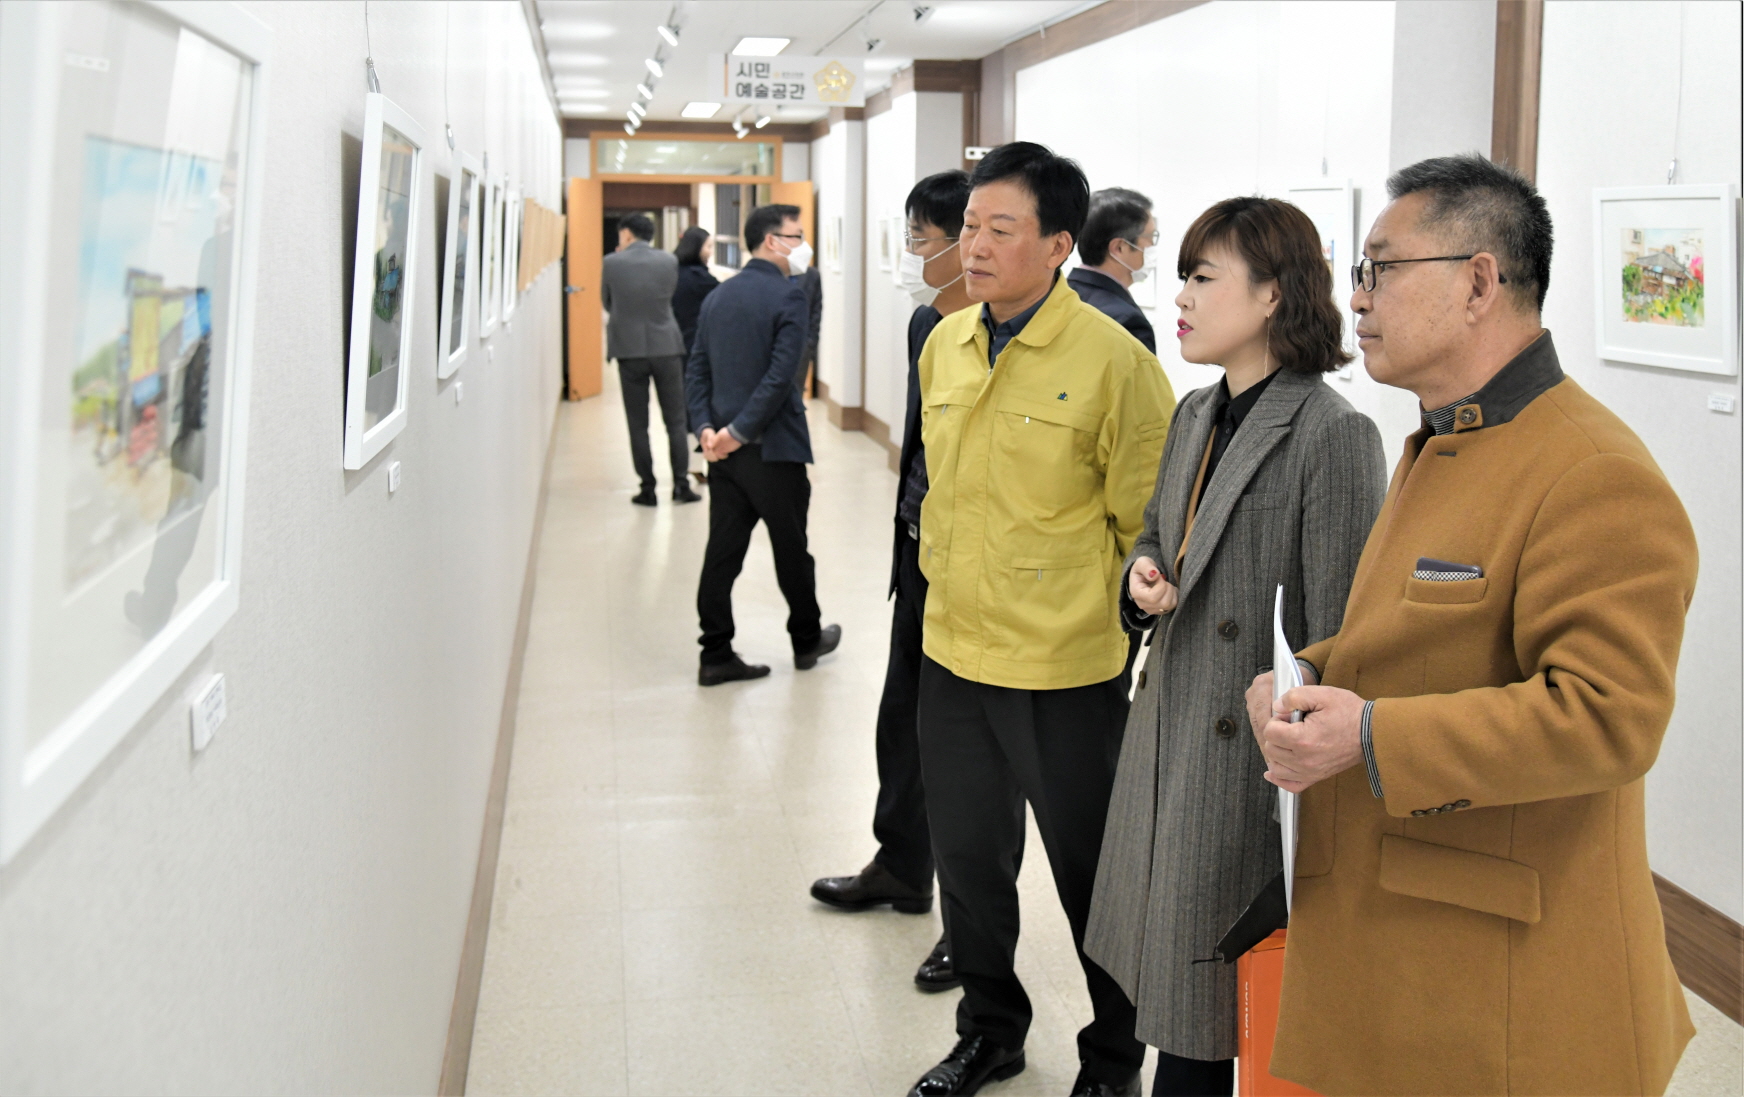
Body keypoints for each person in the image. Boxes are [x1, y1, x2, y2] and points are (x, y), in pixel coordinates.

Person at [1245, 154, 1698, 1095]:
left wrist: (1368, 734)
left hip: (1500, 976)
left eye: (1379, 268)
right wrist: (1306, 675)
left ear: (1480, 281)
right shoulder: (1446, 437)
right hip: (1409, 932)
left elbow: (1608, 717)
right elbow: (1414, 635)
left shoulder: (1591, 471)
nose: (1356, 297)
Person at [1081, 197, 1386, 1096]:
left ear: (1270, 297)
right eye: (1179, 274)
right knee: (1162, 986)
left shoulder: (1333, 435)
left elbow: (1339, 634)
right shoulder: (1192, 414)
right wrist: (1144, 580)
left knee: (1210, 1023)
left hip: (1243, 778)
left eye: (1202, 277)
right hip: (1166, 743)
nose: (1178, 295)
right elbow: (1151, 536)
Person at [906, 142, 1175, 1097]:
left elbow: (1148, 524)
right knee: (970, 864)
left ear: (1060, 242)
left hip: (1063, 669)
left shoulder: (1114, 361)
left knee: (1092, 878)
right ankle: (991, 1029)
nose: (973, 245)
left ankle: (1112, 1060)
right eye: (970, 226)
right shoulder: (946, 341)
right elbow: (935, 489)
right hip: (954, 653)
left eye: (999, 229)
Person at [809, 170, 975, 995]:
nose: (914, 255)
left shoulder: (1013, 334)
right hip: (919, 548)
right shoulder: (926, 322)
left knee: (970, 750)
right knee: (901, 718)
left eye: (919, 239)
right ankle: (901, 866)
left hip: (984, 572)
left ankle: (969, 928)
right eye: (911, 239)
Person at [685, 204, 842, 686]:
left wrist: (708, 430)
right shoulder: (789, 297)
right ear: (773, 241)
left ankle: (715, 653)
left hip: (724, 455)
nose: (803, 245)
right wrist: (740, 431)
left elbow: (697, 369)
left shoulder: (719, 295)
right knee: (792, 549)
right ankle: (806, 639)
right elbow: (782, 379)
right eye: (797, 235)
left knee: (723, 553)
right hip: (773, 450)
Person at [601, 213, 700, 506]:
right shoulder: (668, 261)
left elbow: (607, 301)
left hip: (629, 350)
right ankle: (681, 485)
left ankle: (648, 488)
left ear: (627, 234)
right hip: (666, 346)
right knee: (676, 421)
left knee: (638, 424)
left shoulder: (611, 262)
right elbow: (668, 297)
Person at [1067, 188, 1158, 352]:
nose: (1152, 246)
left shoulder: (1054, 297)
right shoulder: (1127, 322)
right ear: (1119, 248)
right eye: (1150, 237)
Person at [670, 225, 720, 355]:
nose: (711, 252)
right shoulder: (700, 278)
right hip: (693, 340)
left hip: (672, 340)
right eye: (708, 247)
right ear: (696, 247)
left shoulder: (671, 270)